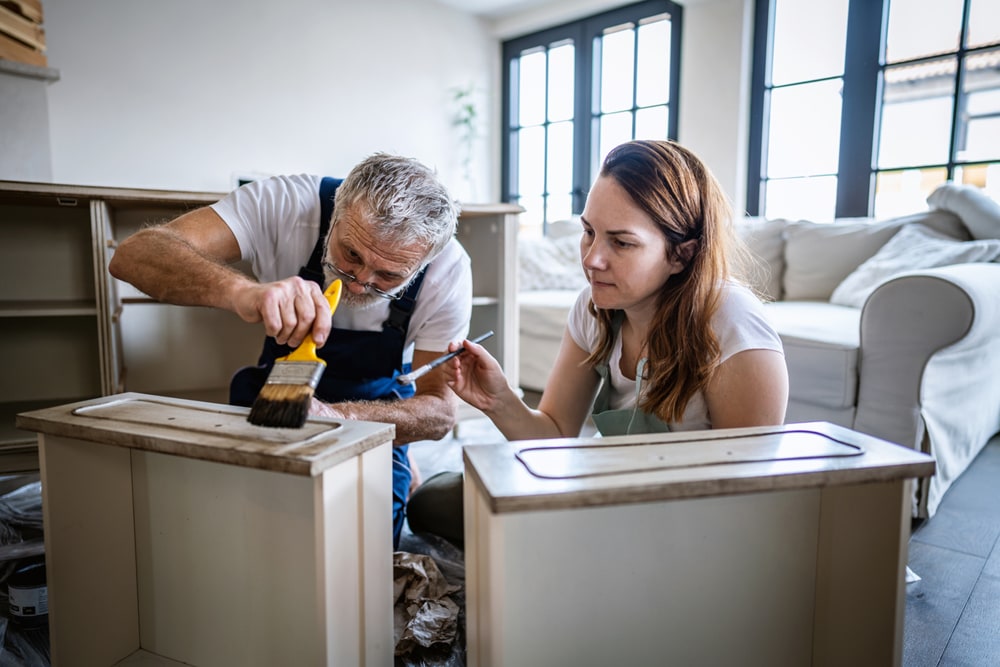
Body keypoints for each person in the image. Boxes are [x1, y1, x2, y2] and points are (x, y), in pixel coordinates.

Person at [406, 139, 788, 544]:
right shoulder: (594, 309)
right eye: (588, 232)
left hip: (689, 523)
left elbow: (747, 497)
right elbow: (554, 437)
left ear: (682, 254)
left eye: (621, 242)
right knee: (432, 501)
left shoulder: (732, 323)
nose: (592, 259)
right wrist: (499, 401)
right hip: (610, 491)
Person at [108, 153, 472, 548]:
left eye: (388, 276)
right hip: (277, 387)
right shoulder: (285, 203)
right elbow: (133, 256)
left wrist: (338, 417)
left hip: (373, 408)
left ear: (423, 263)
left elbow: (439, 410)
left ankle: (401, 462)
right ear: (338, 212)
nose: (358, 283)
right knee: (237, 523)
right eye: (351, 255)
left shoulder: (449, 270)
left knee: (361, 542)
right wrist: (243, 292)